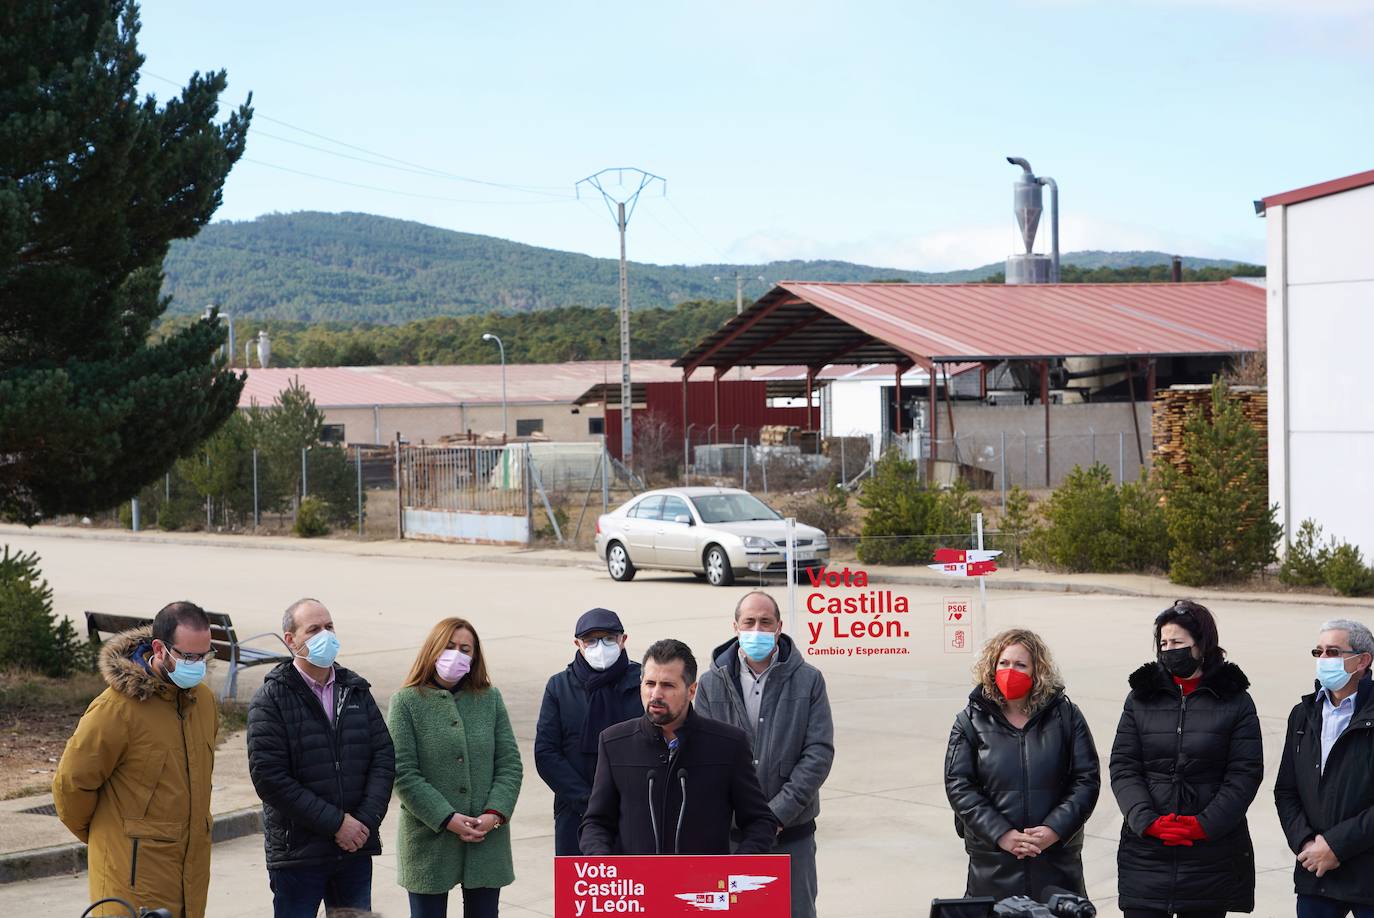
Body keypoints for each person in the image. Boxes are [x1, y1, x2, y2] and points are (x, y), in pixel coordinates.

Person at [53, 602, 218, 918]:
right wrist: (109, 839)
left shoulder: (204, 703)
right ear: (159, 648)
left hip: (190, 880)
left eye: (204, 656)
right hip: (132, 883)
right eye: (188, 656)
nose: (198, 665)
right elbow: (70, 786)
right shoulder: (116, 710)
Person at [1110, 599, 1263, 918]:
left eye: (1177, 642)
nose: (1169, 650)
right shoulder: (1141, 697)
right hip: (1146, 856)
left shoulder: (1235, 700)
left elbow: (1244, 774)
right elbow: (1124, 767)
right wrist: (1147, 821)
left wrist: (1203, 826)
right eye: (1163, 643)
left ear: (1202, 645)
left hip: (1209, 858)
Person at [247, 598, 396, 918]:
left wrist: (363, 824)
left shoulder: (355, 690)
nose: (325, 635)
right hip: (299, 855)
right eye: (313, 629)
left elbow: (383, 756)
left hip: (354, 850)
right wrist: (337, 823)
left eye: (329, 627)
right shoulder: (271, 698)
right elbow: (269, 777)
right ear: (291, 640)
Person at [694, 591, 834, 918]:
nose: (757, 628)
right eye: (749, 622)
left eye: (765, 622)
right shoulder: (711, 684)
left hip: (792, 835)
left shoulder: (808, 680)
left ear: (779, 626)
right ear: (735, 627)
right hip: (731, 837)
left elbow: (818, 753)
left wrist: (775, 815)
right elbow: (702, 757)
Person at [579, 638, 778, 856]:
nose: (655, 695)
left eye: (667, 685)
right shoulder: (614, 743)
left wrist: (736, 869)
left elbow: (760, 821)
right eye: (650, 684)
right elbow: (596, 823)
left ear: (691, 691)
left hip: (704, 886)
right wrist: (603, 864)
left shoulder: (729, 745)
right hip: (637, 886)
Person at [944, 628, 1100, 902]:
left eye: (1020, 664)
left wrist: (1055, 829)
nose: (1010, 670)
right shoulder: (970, 720)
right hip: (993, 866)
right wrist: (1000, 833)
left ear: (1036, 671)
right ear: (992, 667)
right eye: (1003, 663)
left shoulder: (1066, 716)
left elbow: (1086, 779)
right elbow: (959, 786)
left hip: (1055, 863)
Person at [388, 617, 523, 918]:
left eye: (465, 649)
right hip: (428, 841)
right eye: (449, 647)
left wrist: (494, 814)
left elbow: (509, 764)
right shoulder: (406, 701)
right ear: (433, 650)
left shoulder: (490, 698)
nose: (456, 655)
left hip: (486, 838)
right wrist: (446, 817)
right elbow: (403, 772)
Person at [1275, 618, 1374, 918]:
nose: (1323, 660)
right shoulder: (1302, 715)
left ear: (1363, 661)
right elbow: (1286, 791)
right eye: (1318, 652)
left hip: (1368, 875)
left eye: (1333, 652)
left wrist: (1336, 846)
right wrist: (1307, 844)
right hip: (1315, 873)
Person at [534, 607, 643, 856]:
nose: (600, 647)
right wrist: (590, 802)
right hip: (577, 811)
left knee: (634, 889)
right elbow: (547, 753)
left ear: (623, 640)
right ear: (578, 644)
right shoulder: (559, 687)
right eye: (590, 641)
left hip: (634, 812)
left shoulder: (642, 683)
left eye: (608, 638)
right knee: (582, 888)